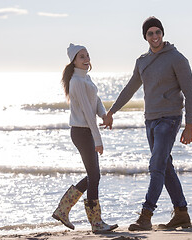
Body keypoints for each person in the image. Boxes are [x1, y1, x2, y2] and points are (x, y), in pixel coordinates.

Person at [102, 16, 192, 231]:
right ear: (145, 36)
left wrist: (189, 125)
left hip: (169, 120)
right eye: (150, 33)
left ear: (163, 33)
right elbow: (129, 89)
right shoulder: (142, 61)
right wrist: (111, 111)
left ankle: (146, 215)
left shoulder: (177, 58)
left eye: (158, 32)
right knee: (164, 165)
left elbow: (190, 94)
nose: (155, 36)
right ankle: (181, 213)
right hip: (150, 121)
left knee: (156, 166)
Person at [52, 43, 118, 233]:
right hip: (81, 132)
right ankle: (95, 222)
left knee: (93, 175)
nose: (86, 58)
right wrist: (98, 140)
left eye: (87, 55)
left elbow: (95, 101)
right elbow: (88, 113)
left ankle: (63, 210)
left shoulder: (86, 78)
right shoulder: (76, 81)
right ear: (74, 60)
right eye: (81, 56)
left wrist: (104, 115)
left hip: (85, 131)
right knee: (94, 176)